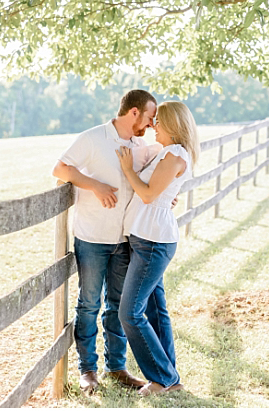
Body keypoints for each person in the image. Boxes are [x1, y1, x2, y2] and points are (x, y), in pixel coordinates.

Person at [52, 89, 156, 394]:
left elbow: (148, 184)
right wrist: (95, 185)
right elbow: (60, 169)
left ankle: (117, 368)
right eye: (149, 117)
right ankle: (88, 370)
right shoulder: (93, 138)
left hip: (125, 239)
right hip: (93, 237)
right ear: (133, 112)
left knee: (118, 306)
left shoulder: (139, 145)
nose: (151, 125)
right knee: (88, 304)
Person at [115, 101, 200, 396]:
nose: (153, 126)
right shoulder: (169, 153)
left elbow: (149, 194)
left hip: (153, 240)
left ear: (174, 126)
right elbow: (158, 192)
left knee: (130, 313)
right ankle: (169, 378)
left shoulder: (176, 154)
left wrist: (127, 169)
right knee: (154, 308)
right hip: (146, 237)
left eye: (159, 122)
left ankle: (162, 378)